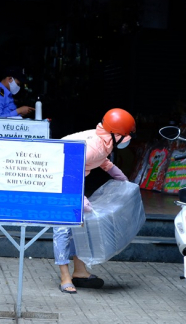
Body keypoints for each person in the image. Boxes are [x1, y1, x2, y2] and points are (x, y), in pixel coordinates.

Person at [54, 108, 136, 294]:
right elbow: (68, 172)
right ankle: (65, 276)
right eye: (126, 135)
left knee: (79, 226)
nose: (128, 139)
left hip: (72, 181)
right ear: (115, 134)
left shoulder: (104, 142)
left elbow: (103, 161)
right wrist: (78, 197)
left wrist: (121, 178)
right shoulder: (92, 147)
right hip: (59, 181)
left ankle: (80, 272)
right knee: (63, 228)